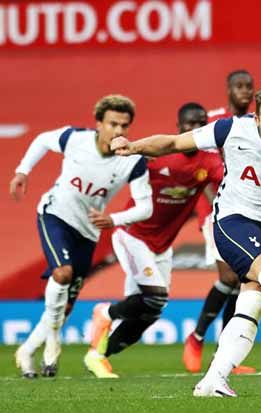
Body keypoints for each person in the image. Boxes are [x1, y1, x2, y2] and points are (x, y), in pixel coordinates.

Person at [111, 80, 261, 397]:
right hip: (233, 220)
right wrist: (133, 146)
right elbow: (174, 144)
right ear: (257, 119)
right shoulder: (231, 129)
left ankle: (213, 380)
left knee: (252, 304)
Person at [10, 95, 152, 378]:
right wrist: (22, 171)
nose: (119, 132)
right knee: (62, 274)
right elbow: (41, 140)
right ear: (99, 124)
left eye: (124, 126)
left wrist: (113, 219)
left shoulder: (133, 161)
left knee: (63, 307)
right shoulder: (75, 138)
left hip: (87, 233)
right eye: (113, 124)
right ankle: (52, 346)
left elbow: (145, 207)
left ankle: (26, 351)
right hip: (55, 215)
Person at [82, 102, 226, 378]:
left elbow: (230, 181)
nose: (195, 129)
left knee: (151, 311)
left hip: (161, 246)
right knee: (154, 294)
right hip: (132, 235)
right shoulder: (158, 155)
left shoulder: (208, 162)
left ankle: (97, 355)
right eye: (190, 124)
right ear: (178, 127)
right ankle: (105, 313)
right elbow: (118, 165)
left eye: (201, 124)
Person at [184, 69, 257, 375]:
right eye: (238, 86)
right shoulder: (212, 121)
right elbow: (191, 155)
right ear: (228, 90)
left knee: (242, 282)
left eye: (248, 87)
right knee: (228, 278)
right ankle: (196, 337)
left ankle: (225, 356)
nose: (244, 91)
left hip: (247, 210)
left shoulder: (259, 123)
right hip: (213, 209)